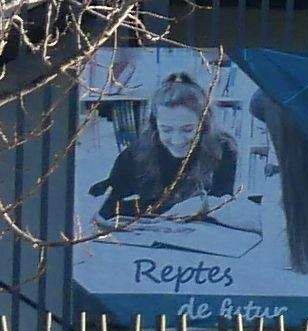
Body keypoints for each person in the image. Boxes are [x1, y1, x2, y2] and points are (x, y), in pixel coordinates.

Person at [93, 75, 237, 225]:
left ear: (204, 125)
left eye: (187, 129)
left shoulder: (223, 150)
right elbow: (107, 209)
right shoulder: (133, 155)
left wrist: (203, 206)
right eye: (166, 130)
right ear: (155, 125)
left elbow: (224, 209)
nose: (177, 140)